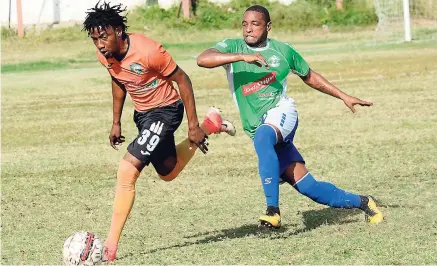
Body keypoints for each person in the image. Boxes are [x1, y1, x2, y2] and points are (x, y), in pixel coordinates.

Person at [197, 5, 383, 229]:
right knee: (309, 188)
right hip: (258, 127)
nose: (248, 29)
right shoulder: (232, 47)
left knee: (264, 136)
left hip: (282, 112)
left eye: (255, 24)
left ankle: (272, 211)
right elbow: (203, 59)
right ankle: (364, 202)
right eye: (244, 24)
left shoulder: (283, 51)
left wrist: (343, 95)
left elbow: (310, 76)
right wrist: (241, 57)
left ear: (268, 27)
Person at [82, 1, 235, 262]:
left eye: (103, 37)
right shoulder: (104, 55)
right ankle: (213, 122)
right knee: (168, 172)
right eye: (95, 39)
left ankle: (110, 246)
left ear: (119, 31)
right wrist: (116, 121)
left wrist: (193, 125)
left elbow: (183, 80)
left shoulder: (148, 50)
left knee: (127, 170)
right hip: (143, 116)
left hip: (166, 110)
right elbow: (118, 79)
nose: (99, 44)